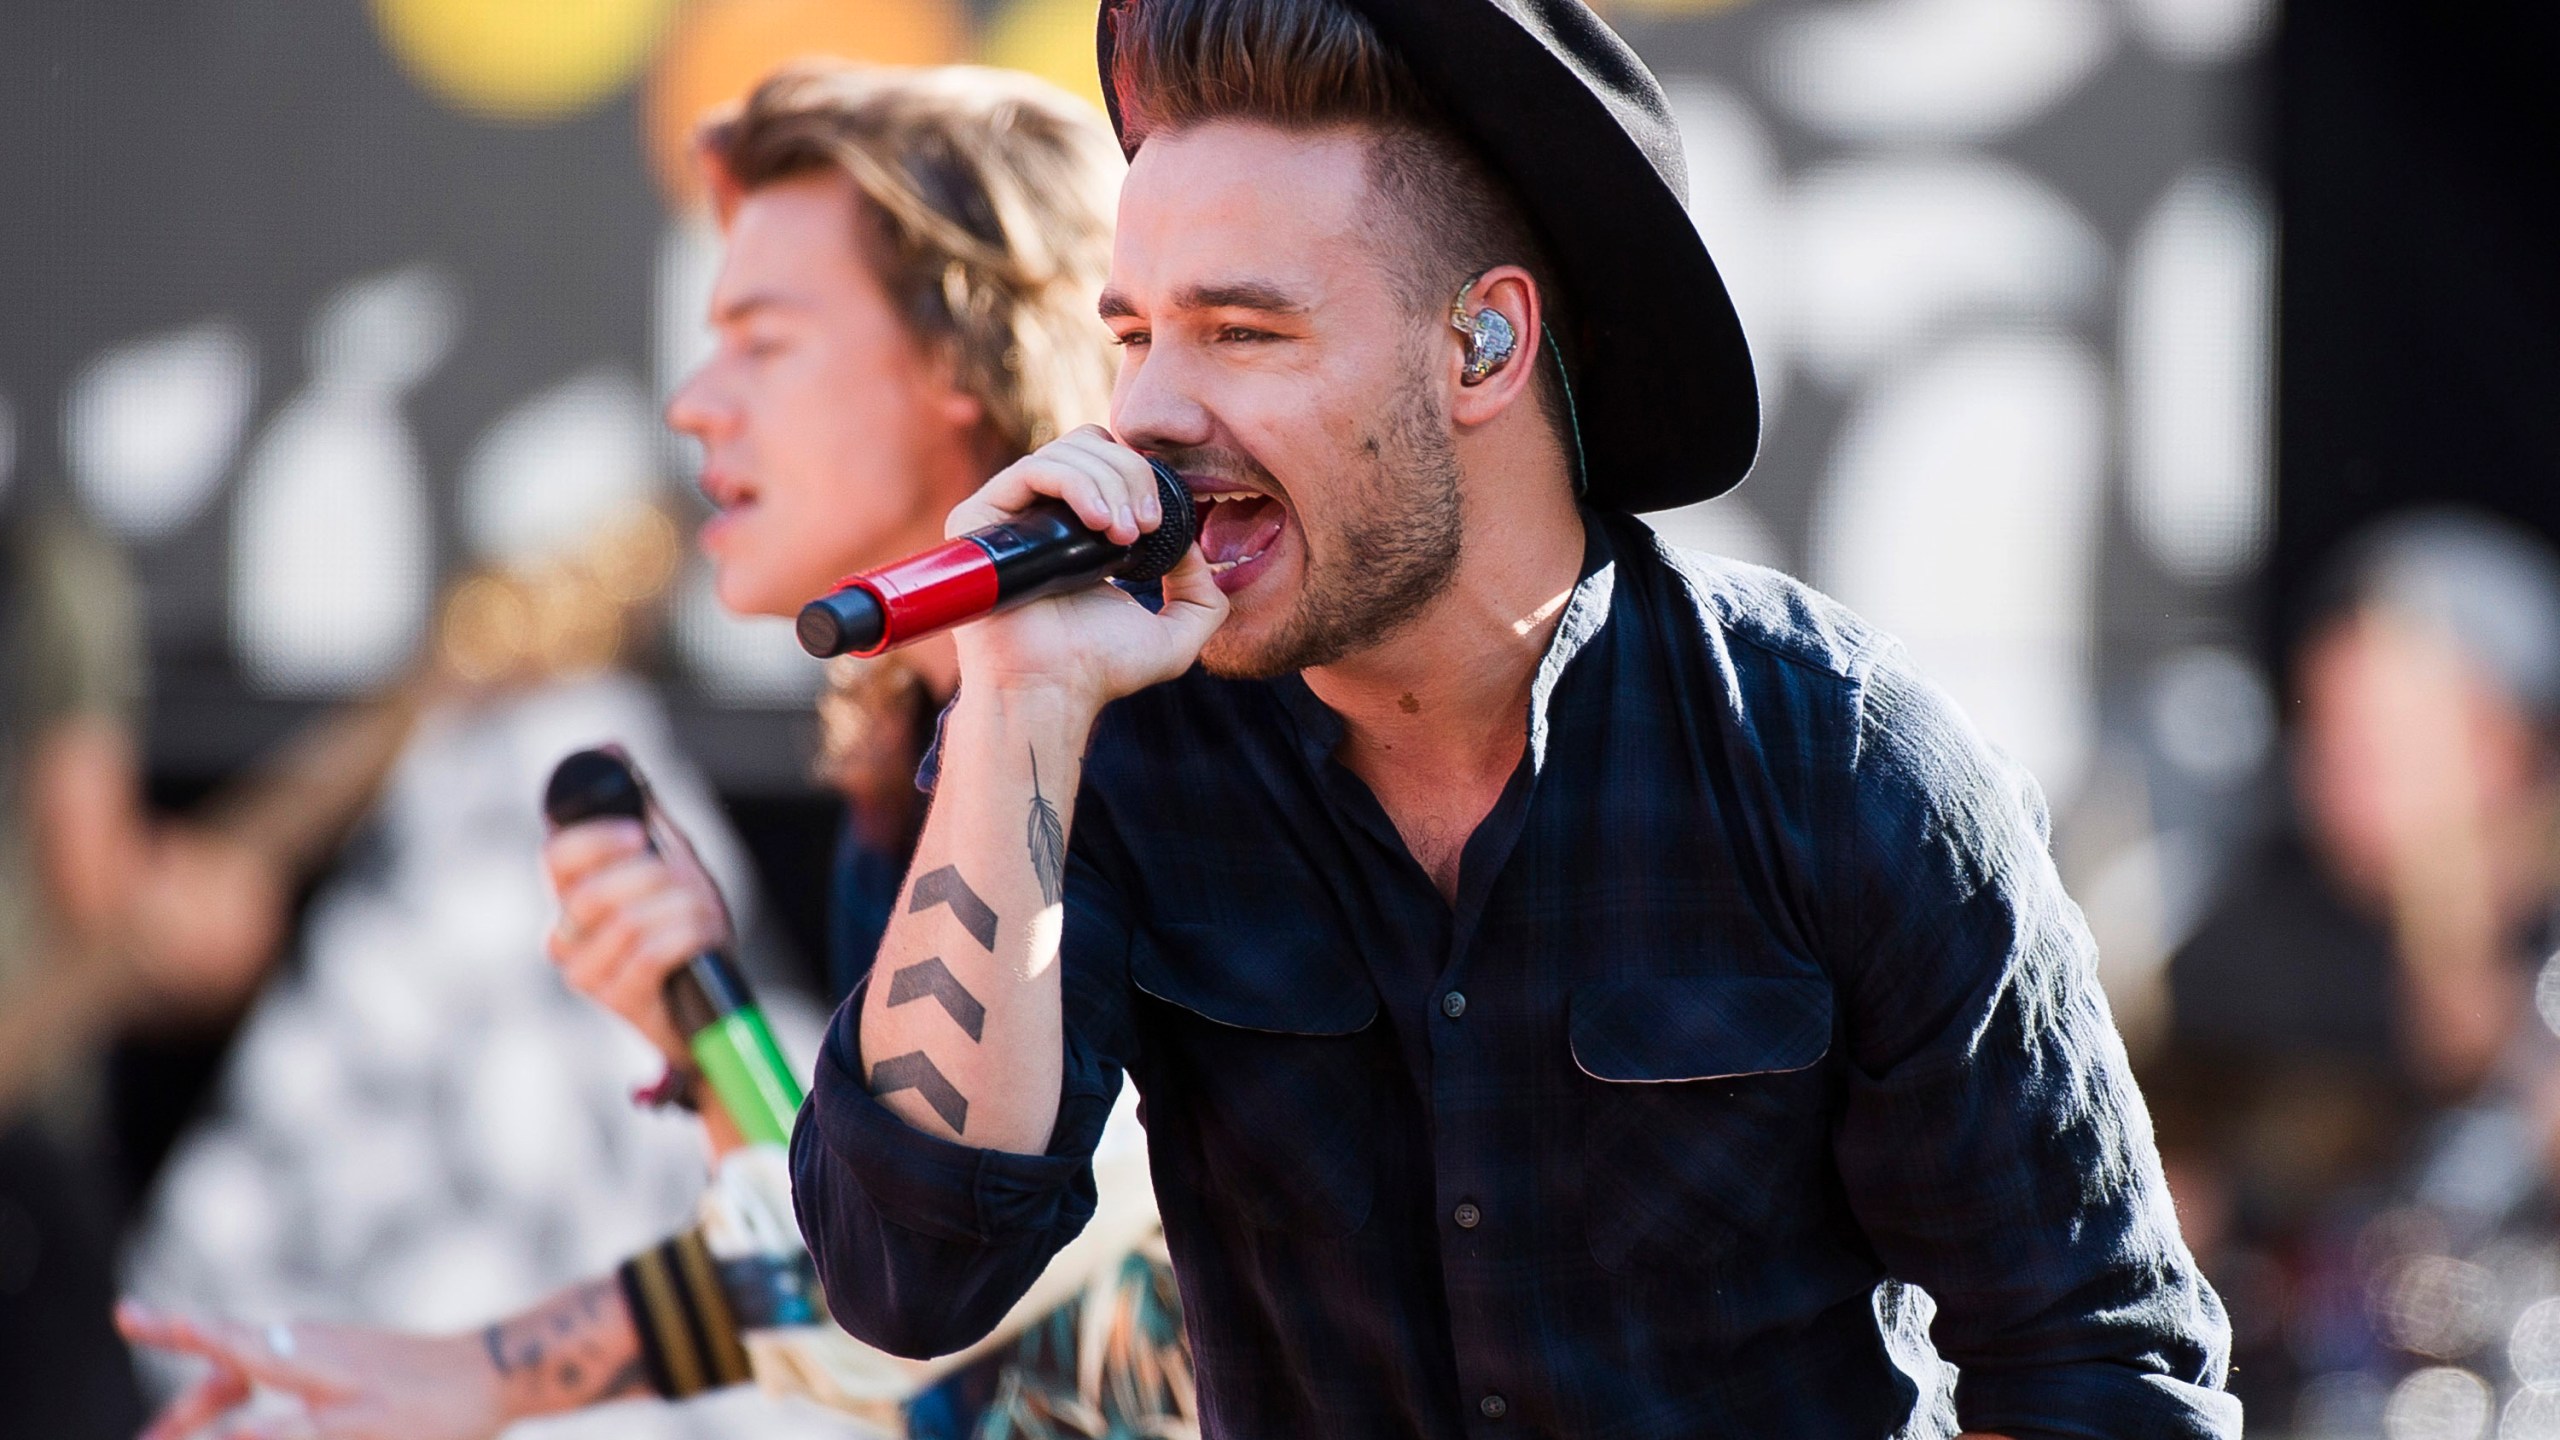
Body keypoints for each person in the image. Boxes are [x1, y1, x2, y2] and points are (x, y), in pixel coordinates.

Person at [787, 1, 2238, 1437]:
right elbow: (905, 1275)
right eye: (1135, 335)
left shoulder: (1839, 760)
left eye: (1241, 331)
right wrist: (1018, 699)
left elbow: (2105, 1371)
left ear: (1482, 344)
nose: (1152, 409)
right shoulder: (1115, 745)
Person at [119, 61, 1185, 1440]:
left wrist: (490, 1371)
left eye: (763, 340)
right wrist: (708, 1035)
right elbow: (876, 1275)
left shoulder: (1154, 743)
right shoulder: (918, 759)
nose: (694, 401)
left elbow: (944, 1276)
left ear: (963, 356)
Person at [2151, 508, 2560, 1426]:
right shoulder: (2259, 948)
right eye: (2330, 735)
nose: (2343, 776)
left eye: (2389, 740)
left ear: (2508, 741)